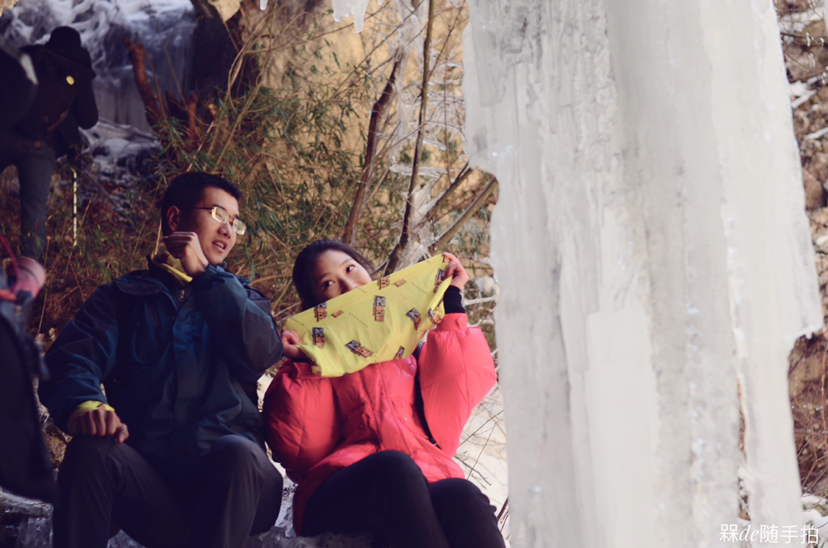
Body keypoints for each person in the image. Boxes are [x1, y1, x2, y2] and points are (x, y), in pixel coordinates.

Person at [39, 172, 284, 548]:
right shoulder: (124, 298)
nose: (228, 230)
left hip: (240, 490)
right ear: (174, 218)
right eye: (219, 214)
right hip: (156, 493)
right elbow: (70, 360)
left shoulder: (247, 300)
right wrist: (86, 406)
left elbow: (262, 352)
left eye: (236, 223)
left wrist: (206, 276)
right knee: (92, 450)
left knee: (237, 451)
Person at [263, 240, 506, 548]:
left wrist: (452, 302)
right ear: (314, 304)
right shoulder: (313, 362)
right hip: (337, 491)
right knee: (395, 468)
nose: (348, 285)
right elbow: (300, 450)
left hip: (425, 476)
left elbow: (462, 386)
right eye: (328, 283)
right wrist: (308, 361)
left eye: (351, 268)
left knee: (463, 494)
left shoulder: (412, 347)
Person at [0, 26, 98, 259]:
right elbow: (88, 119)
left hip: (5, 133)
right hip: (41, 145)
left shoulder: (31, 55)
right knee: (34, 211)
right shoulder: (78, 68)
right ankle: (30, 270)